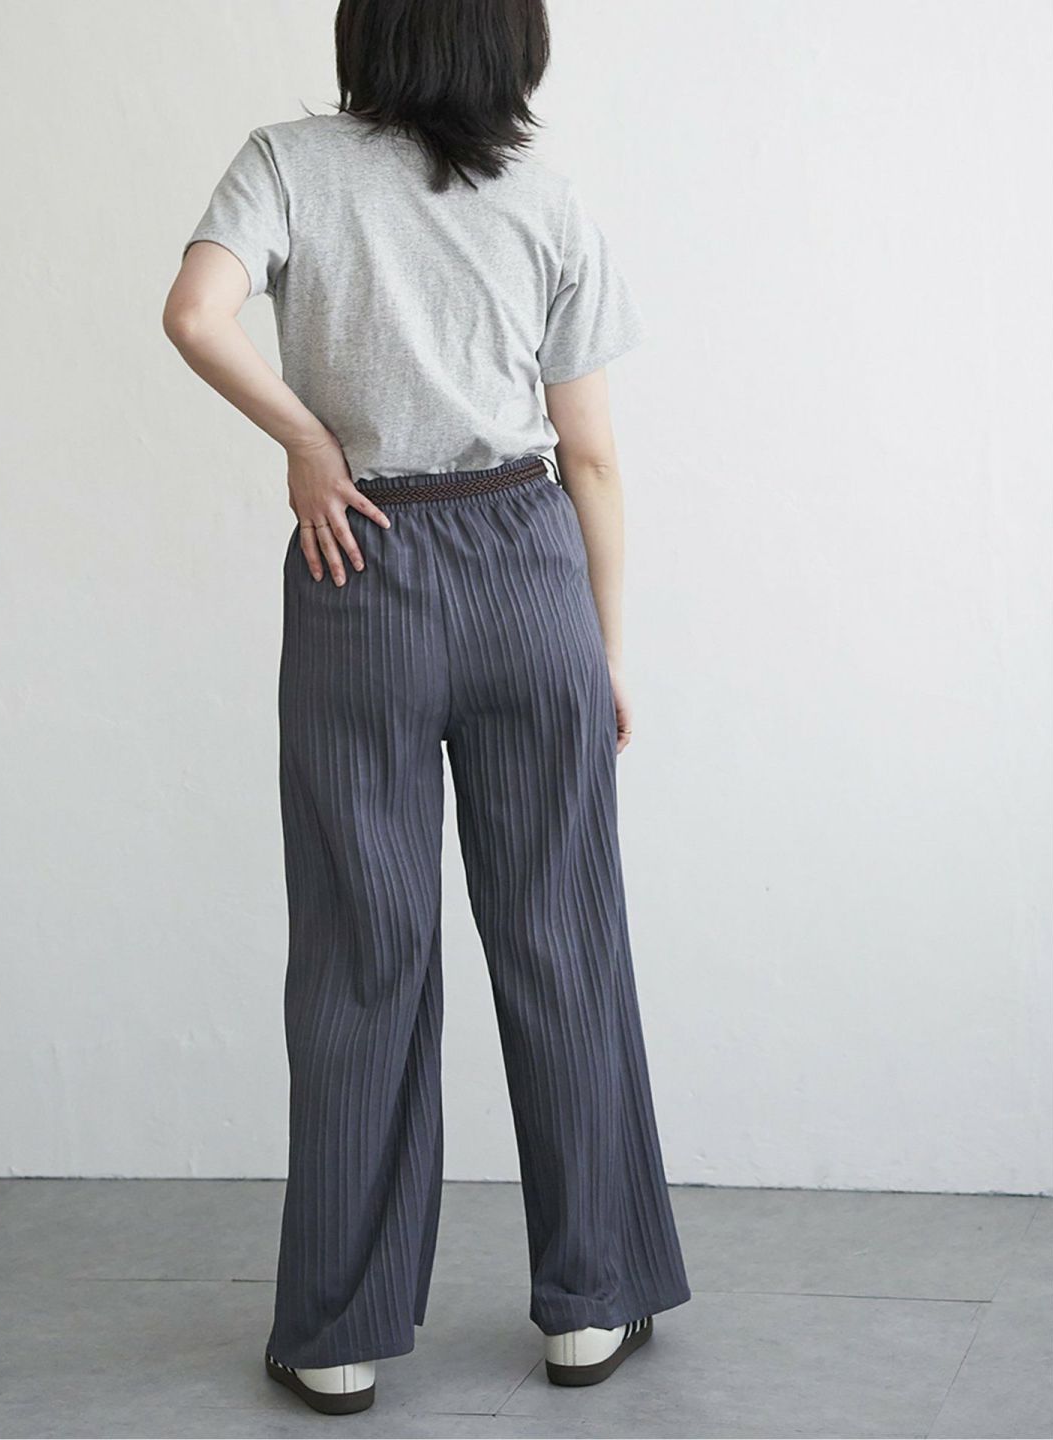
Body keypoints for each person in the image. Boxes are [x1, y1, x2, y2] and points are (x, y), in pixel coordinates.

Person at [163, 0, 691, 1416]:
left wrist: (306, 439)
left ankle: (338, 1332)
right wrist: (604, 647)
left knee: (361, 949)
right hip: (527, 571)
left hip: (362, 564)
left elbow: (194, 316)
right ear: (511, 42)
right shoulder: (547, 197)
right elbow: (590, 454)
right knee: (562, 936)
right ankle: (594, 1307)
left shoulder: (286, 164)